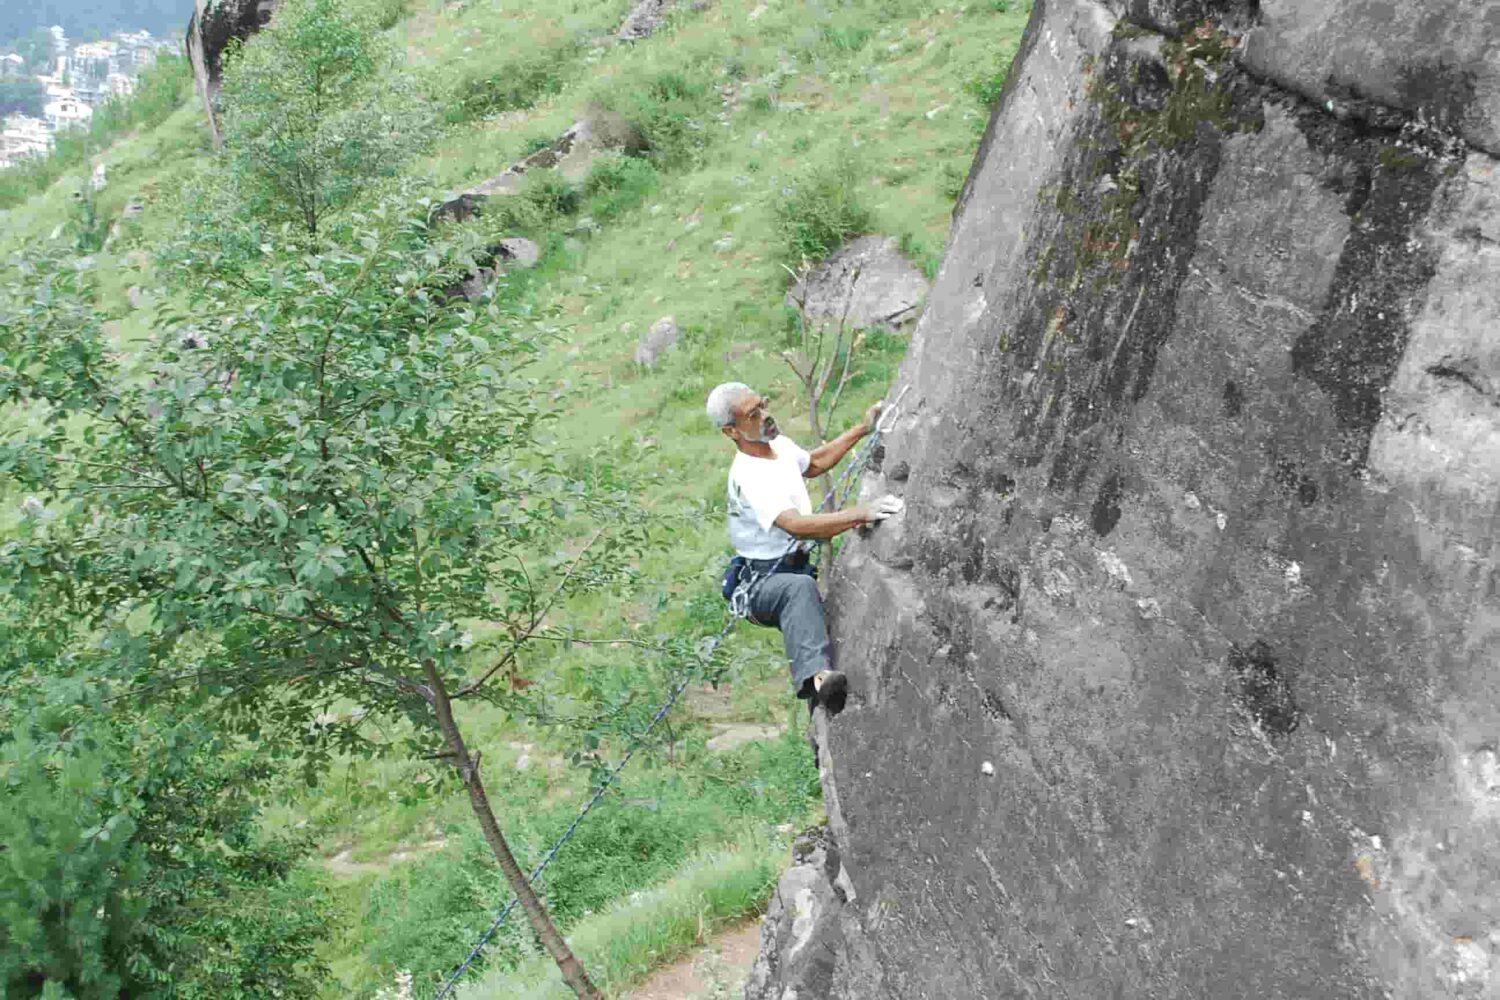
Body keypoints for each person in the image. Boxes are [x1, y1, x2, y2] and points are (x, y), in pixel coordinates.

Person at [706, 382, 905, 714]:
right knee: (799, 590)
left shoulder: (777, 445)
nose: (766, 416)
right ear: (732, 431)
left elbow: (813, 463)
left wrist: (862, 428)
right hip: (761, 582)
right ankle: (818, 679)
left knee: (801, 589)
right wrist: (860, 514)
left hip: (791, 567)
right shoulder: (748, 475)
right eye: (754, 415)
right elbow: (795, 524)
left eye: (764, 404)